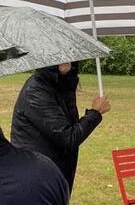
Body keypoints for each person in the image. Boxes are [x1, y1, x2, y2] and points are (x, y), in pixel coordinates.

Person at [11, 61, 110, 191]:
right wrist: (95, 113)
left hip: (55, 172)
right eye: (59, 56)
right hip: (37, 178)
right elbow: (67, 137)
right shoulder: (36, 90)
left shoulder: (61, 84)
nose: (65, 59)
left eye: (69, 53)